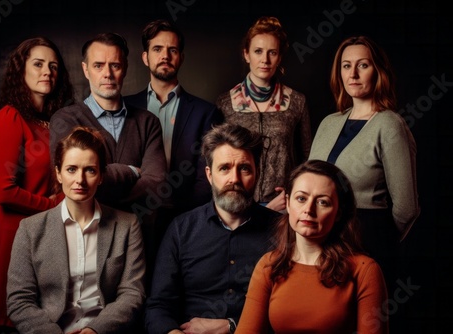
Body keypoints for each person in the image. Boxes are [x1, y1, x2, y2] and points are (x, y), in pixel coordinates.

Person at [49, 32, 167, 288]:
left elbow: (157, 183)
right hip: (84, 238)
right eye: (98, 65)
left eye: (114, 65)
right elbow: (70, 181)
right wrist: (131, 172)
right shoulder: (65, 120)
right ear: (85, 69)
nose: (107, 73)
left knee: (134, 308)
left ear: (124, 68)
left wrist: (98, 188)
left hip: (138, 240)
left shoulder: (148, 123)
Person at [145, 123, 282, 334]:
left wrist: (232, 326)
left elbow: (290, 309)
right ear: (209, 175)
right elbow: (158, 306)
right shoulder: (181, 230)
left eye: (244, 168)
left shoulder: (281, 231)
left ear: (257, 173)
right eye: (224, 168)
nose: (234, 179)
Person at [7, 126, 145, 334]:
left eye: (90, 170)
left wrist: (94, 330)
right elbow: (19, 301)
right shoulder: (30, 229)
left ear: (101, 176)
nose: (80, 180)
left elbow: (132, 293)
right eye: (71, 169)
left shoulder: (128, 225)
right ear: (58, 174)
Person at [308, 36, 420, 288]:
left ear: (378, 71)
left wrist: (377, 238)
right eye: (346, 66)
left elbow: (407, 208)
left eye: (363, 65)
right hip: (320, 243)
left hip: (365, 243)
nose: (353, 74)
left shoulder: (389, 124)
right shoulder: (329, 123)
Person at [236, 160, 389, 334]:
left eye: (322, 202)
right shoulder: (269, 265)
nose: (308, 209)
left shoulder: (363, 270)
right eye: (301, 198)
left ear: (338, 212)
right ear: (287, 203)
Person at [0, 36, 74, 332]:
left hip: (49, 233)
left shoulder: (54, 122)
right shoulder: (9, 118)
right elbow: (2, 190)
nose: (47, 71)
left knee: (46, 319)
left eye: (53, 66)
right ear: (21, 70)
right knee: (14, 318)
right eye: (38, 64)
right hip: (16, 233)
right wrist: (50, 204)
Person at [124, 19, 224, 249]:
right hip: (131, 216)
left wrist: (188, 217)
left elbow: (205, 174)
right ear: (145, 57)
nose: (165, 56)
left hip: (184, 218)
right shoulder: (125, 108)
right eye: (157, 49)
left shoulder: (205, 112)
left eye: (172, 50)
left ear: (181, 57)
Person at [216, 16, 312, 212]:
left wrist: (292, 193)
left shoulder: (297, 101)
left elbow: (308, 158)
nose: (265, 60)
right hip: (237, 205)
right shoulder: (225, 103)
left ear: (280, 56)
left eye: (272, 52)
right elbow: (217, 160)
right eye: (258, 51)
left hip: (284, 206)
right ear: (246, 54)